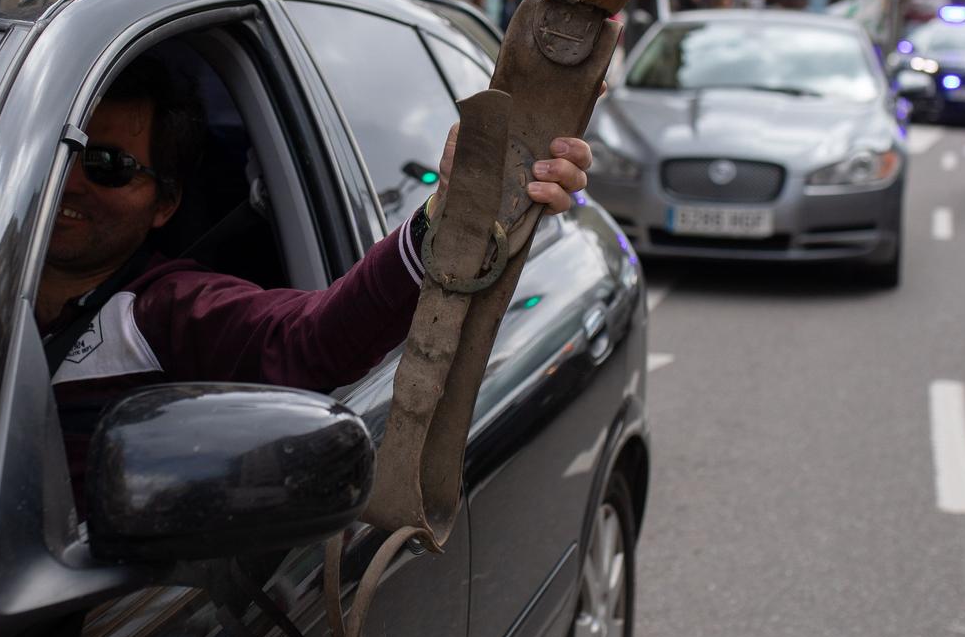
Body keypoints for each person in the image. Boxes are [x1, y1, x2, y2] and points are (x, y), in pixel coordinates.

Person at [39, 58, 595, 494]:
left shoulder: (167, 313)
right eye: (62, 156)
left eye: (108, 166)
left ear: (166, 203)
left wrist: (451, 213)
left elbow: (311, 337)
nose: (71, 185)